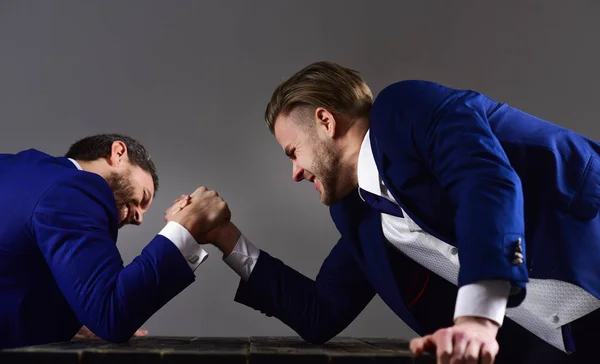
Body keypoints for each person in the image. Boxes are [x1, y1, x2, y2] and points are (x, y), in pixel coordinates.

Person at [190, 62, 600, 363]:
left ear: (325, 121)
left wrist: (477, 317)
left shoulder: (406, 109)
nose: (295, 172)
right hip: (572, 343)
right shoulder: (360, 216)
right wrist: (226, 236)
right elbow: (320, 312)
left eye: (293, 152)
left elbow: (487, 183)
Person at [0, 134, 230, 349]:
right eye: (144, 197)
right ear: (119, 153)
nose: (139, 218)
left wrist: (65, 321)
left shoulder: (15, 169)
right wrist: (184, 228)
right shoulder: (74, 188)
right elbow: (110, 315)